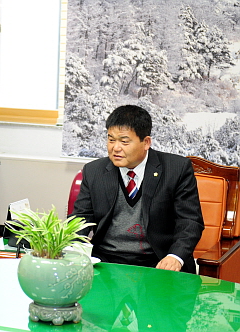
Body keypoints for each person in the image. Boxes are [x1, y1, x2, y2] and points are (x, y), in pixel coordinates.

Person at [72, 105, 204, 273]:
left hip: (157, 261)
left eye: (124, 141)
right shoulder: (94, 171)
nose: (115, 148)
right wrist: (73, 247)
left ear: (146, 142)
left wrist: (175, 257)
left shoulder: (176, 169)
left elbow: (190, 221)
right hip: (107, 261)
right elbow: (80, 218)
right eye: (111, 139)